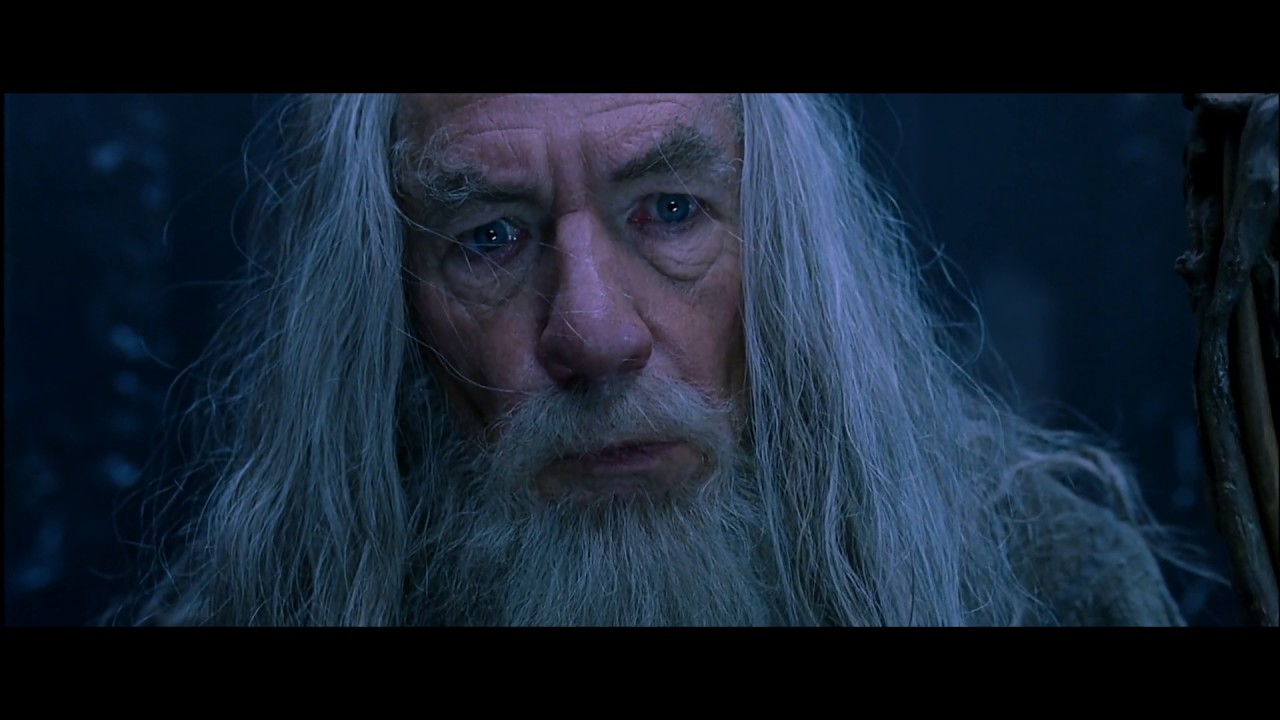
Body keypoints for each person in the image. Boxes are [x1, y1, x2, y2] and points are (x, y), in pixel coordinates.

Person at [116, 93, 1191, 626]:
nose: (594, 336)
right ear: (384, 304)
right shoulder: (265, 606)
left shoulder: (1046, 588)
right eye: (488, 237)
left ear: (788, 253)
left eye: (671, 211)